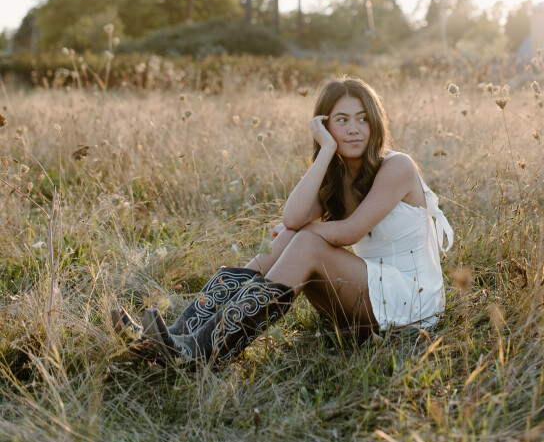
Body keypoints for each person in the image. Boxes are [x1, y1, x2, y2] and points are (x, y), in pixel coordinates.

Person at [112, 76, 453, 366]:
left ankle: (202, 353)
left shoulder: (397, 166)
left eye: (363, 119)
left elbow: (350, 232)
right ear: (325, 126)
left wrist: (305, 232)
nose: (353, 129)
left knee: (305, 240)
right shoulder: (337, 176)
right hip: (370, 295)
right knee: (294, 236)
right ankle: (177, 336)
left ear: (375, 123)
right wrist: (325, 152)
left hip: (412, 300)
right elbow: (291, 219)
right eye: (342, 120)